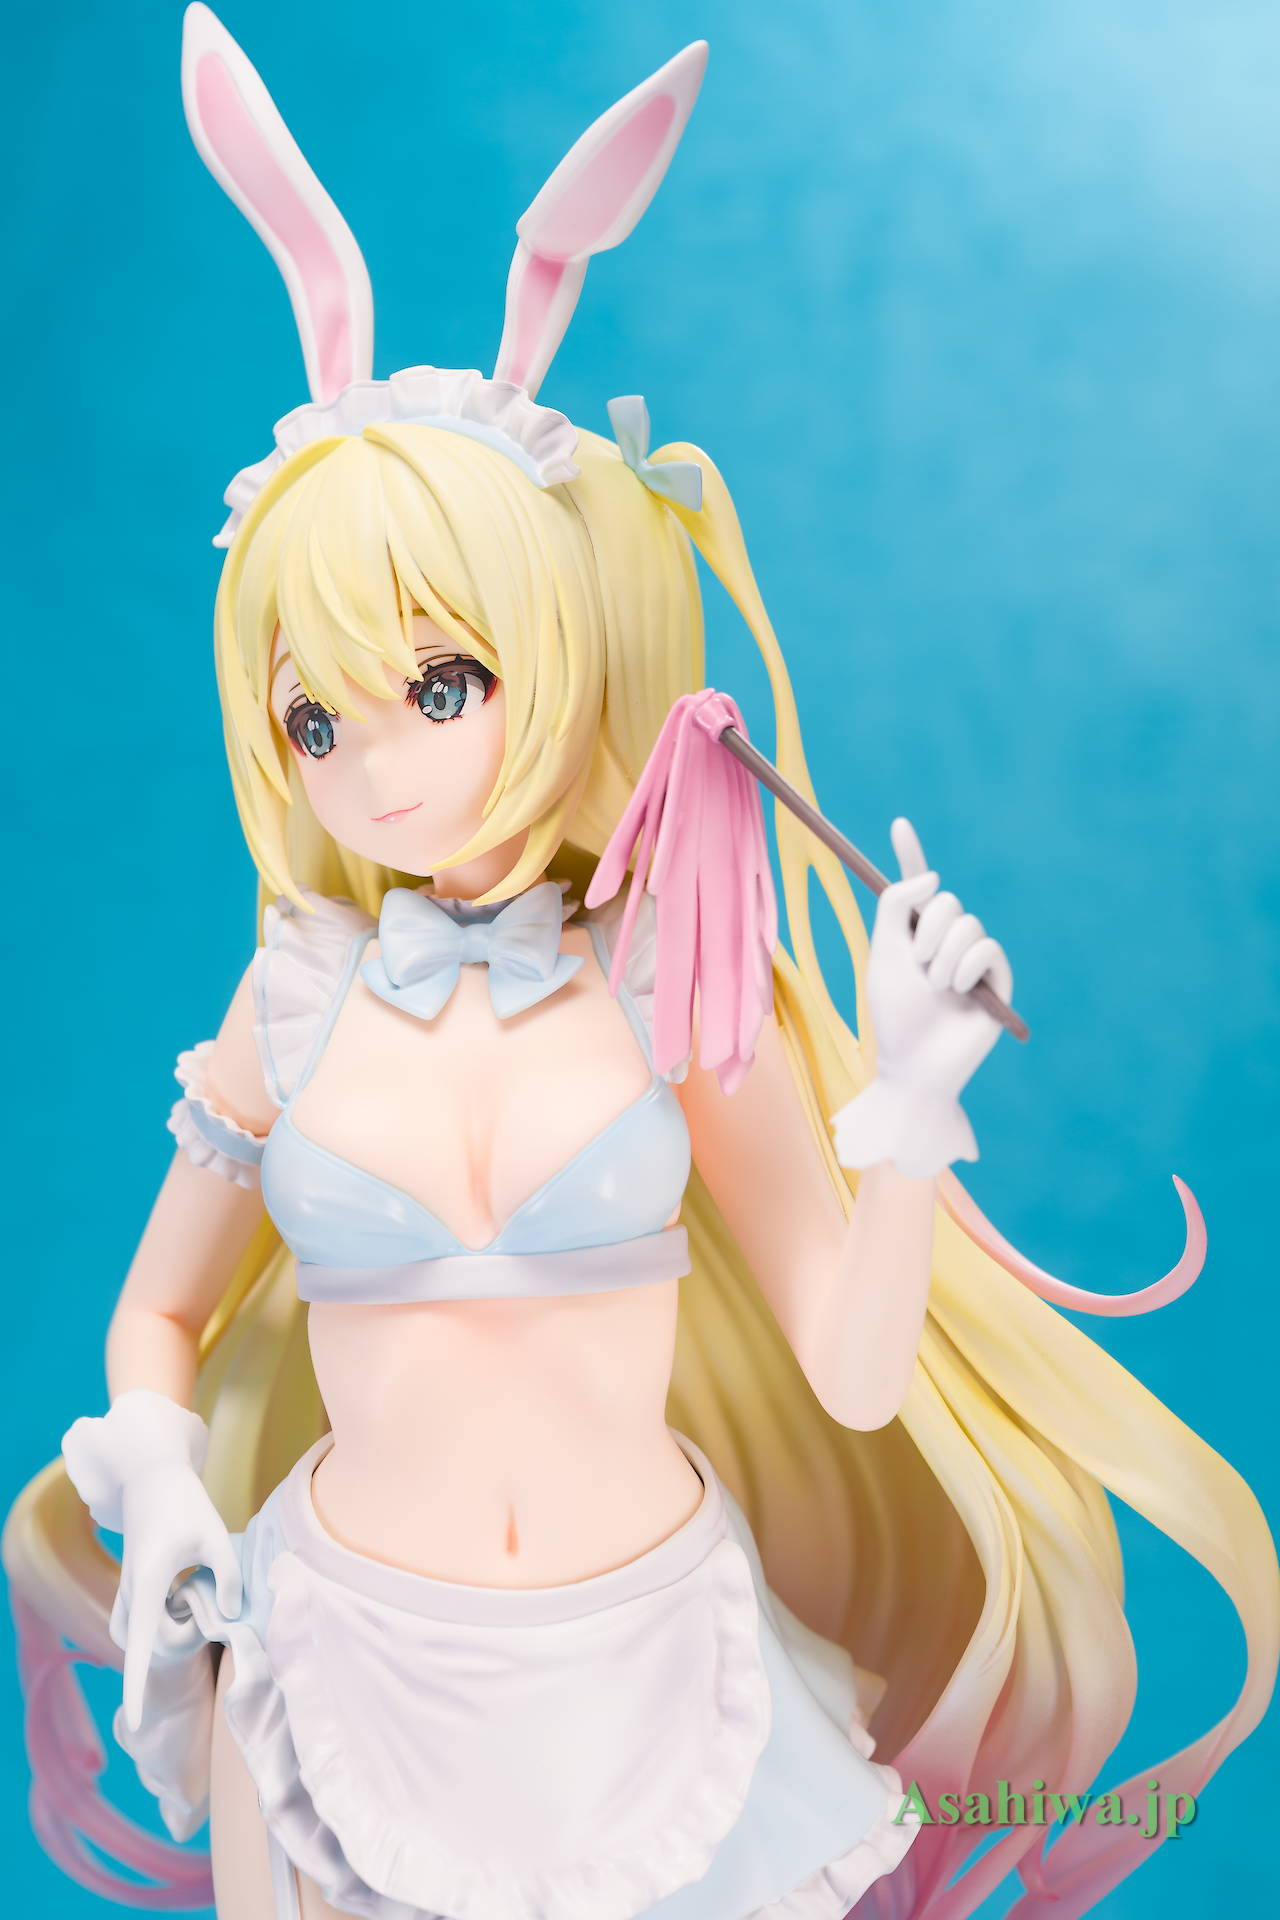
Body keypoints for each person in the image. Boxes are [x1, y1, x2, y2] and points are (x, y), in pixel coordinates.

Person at [5, 8, 1275, 1919]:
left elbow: (853, 1372)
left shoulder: (666, 979)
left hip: (661, 1674)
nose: (378, 765)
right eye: (315, 718)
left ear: (555, 647)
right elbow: (154, 1316)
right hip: (337, 1661)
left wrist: (908, 1103)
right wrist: (166, 1476)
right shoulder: (293, 1000)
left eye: (440, 683)